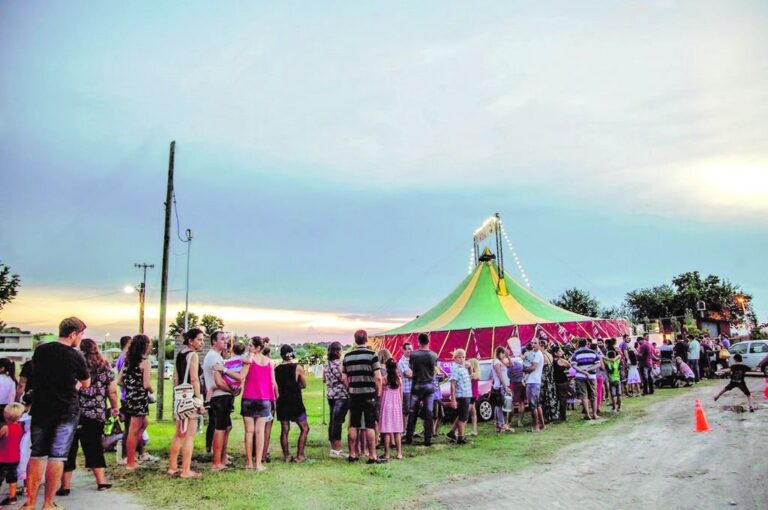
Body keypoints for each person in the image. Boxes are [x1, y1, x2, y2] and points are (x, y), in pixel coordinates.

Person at [24, 317, 90, 510]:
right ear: (73, 334)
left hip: (41, 407)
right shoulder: (75, 355)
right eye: (81, 334)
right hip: (66, 409)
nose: (81, 338)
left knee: (36, 454)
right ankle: (48, 503)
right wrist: (74, 384)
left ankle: (29, 503)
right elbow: (86, 383)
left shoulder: (41, 350)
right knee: (57, 456)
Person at [58, 339, 119, 495]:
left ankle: (65, 486)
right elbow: (112, 390)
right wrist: (114, 407)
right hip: (95, 413)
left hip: (73, 411)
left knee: (69, 448)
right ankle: (101, 481)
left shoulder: (75, 364)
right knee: (94, 446)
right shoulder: (105, 366)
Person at [167, 328, 206, 478]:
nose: (201, 343)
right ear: (191, 341)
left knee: (179, 434)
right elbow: (194, 378)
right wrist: (199, 401)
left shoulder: (180, 355)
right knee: (189, 435)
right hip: (191, 398)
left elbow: (176, 378)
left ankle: (172, 466)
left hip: (180, 397)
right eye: (199, 339)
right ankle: (186, 470)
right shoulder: (193, 355)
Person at [234, 336, 275, 472]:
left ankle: (249, 463)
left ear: (258, 348)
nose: (248, 347)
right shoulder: (269, 362)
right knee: (260, 432)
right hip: (264, 399)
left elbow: (241, 377)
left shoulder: (249, 361)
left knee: (249, 431)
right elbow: (272, 382)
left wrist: (224, 370)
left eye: (251, 345)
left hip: (249, 398)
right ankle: (258, 463)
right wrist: (273, 398)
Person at [342, 330, 383, 463]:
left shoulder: (347, 356)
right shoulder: (372, 355)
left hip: (354, 394)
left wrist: (350, 388)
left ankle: (352, 454)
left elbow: (343, 377)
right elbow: (378, 377)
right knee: (370, 425)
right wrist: (378, 392)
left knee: (353, 424)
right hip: (369, 393)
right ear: (366, 339)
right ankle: (372, 456)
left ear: (355, 340)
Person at [118, 334, 153, 471]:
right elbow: (146, 384)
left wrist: (130, 387)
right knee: (133, 430)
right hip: (139, 399)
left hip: (130, 398)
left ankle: (132, 456)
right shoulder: (145, 362)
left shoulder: (128, 361)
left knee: (144, 424)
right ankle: (130, 461)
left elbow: (120, 380)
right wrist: (152, 390)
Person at [203, 331, 235, 471]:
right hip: (219, 396)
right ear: (214, 342)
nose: (225, 341)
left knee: (227, 427)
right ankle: (217, 463)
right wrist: (231, 390)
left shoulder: (218, 356)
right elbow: (219, 381)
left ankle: (223, 457)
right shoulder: (214, 357)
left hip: (222, 396)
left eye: (226, 339)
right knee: (220, 430)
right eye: (222, 339)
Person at [275, 345, 309, 463]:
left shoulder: (277, 369)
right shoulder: (297, 367)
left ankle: (287, 456)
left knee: (285, 429)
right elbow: (304, 384)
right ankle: (300, 455)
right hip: (295, 401)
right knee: (304, 428)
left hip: (282, 401)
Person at [403, 333, 438, 447]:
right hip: (429, 385)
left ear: (419, 342)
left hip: (417, 385)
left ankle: (409, 438)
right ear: (428, 342)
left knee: (412, 412)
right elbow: (434, 370)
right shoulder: (434, 355)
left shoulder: (414, 355)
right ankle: (428, 439)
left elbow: (411, 368)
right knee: (428, 412)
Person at [323, 342, 349, 459]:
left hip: (330, 395)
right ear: (338, 351)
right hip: (341, 395)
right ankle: (337, 450)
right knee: (338, 422)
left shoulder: (327, 364)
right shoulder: (339, 364)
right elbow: (343, 379)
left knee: (332, 421)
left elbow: (324, 379)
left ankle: (333, 447)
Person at [378, 358, 403, 460]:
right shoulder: (399, 380)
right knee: (397, 431)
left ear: (387, 368)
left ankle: (387, 454)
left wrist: (380, 405)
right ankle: (399, 453)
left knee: (387, 431)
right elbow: (401, 396)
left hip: (386, 406)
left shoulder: (384, 379)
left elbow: (381, 394)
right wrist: (400, 405)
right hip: (396, 406)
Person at [0, 403, 24, 506]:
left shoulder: (5, 428)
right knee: (12, 478)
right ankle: (12, 497)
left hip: (3, 458)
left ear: (5, 415)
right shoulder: (19, 427)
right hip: (15, 458)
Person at [446, 349, 471, 445]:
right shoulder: (456, 369)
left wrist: (469, 368)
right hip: (462, 395)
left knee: (462, 415)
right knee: (463, 418)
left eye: (463, 357)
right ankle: (461, 437)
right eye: (459, 357)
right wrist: (453, 399)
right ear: (455, 358)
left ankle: (452, 432)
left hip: (467, 394)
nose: (462, 359)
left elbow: (470, 375)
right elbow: (453, 384)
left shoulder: (463, 367)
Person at [571, 338, 599, 420]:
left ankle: (587, 414)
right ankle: (594, 414)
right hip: (592, 376)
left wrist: (582, 371)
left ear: (578, 344)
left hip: (580, 376)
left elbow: (573, 365)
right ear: (587, 344)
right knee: (593, 395)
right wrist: (589, 369)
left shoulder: (576, 353)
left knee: (584, 396)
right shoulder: (593, 352)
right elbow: (598, 364)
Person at [524, 339, 545, 431]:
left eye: (535, 343)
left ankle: (536, 426)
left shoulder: (537, 354)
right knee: (537, 405)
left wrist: (524, 369)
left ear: (539, 344)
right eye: (532, 343)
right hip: (535, 381)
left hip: (533, 382)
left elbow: (533, 367)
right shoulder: (536, 354)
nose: (533, 344)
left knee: (533, 406)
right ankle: (542, 424)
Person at [539, 341, 560, 423]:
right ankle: (553, 415)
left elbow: (542, 367)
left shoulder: (543, 355)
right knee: (551, 398)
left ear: (542, 346)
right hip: (550, 380)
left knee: (544, 399)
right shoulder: (550, 355)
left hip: (544, 380)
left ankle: (545, 417)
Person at [491, 347, 511, 433]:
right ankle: (501, 423)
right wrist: (504, 386)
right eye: (503, 353)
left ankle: (500, 423)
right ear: (500, 353)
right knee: (500, 405)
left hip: (500, 385)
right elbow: (499, 375)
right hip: (499, 386)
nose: (504, 355)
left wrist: (508, 356)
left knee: (499, 405)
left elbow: (511, 365)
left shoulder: (499, 362)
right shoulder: (496, 362)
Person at [506, 349, 525, 428]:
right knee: (522, 403)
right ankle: (520, 421)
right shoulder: (520, 365)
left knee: (512, 404)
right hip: (521, 384)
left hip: (513, 384)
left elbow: (509, 377)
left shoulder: (509, 370)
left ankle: (509, 421)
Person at [397, 342, 413, 430]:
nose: (411, 350)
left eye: (411, 348)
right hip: (406, 390)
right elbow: (409, 374)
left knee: (412, 411)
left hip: (413, 389)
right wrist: (419, 373)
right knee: (406, 411)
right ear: (403, 350)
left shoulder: (413, 360)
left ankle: (410, 429)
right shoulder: (402, 362)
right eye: (408, 349)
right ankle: (404, 429)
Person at [552, 347, 571, 421]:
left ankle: (560, 415)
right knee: (562, 399)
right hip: (562, 382)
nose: (561, 352)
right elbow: (570, 367)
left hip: (557, 382)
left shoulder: (552, 361)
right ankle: (562, 416)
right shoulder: (562, 361)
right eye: (559, 351)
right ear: (555, 353)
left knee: (558, 399)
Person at [468, 357, 480, 436]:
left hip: (472, 395)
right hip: (473, 394)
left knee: (465, 412)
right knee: (473, 412)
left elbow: (471, 376)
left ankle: (458, 431)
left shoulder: (474, 374)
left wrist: (470, 368)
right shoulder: (475, 373)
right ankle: (474, 430)